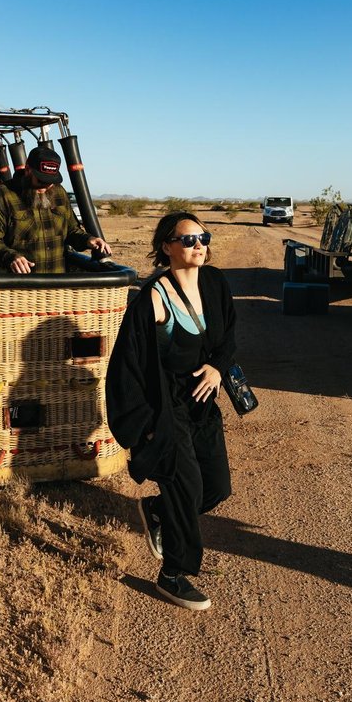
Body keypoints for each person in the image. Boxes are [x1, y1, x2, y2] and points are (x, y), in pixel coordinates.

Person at [105, 212, 237, 611]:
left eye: (203, 237)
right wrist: (143, 427)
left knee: (216, 488)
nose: (199, 245)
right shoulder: (153, 299)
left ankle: (158, 510)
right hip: (165, 408)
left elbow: (228, 337)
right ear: (166, 247)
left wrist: (217, 367)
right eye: (188, 240)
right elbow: (126, 369)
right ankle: (172, 575)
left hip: (203, 404)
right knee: (188, 488)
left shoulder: (215, 284)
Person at [0, 145, 110, 273]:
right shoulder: (4, 195)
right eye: (41, 181)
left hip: (56, 282)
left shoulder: (59, 192)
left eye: (49, 182)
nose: (45, 187)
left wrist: (88, 240)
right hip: (19, 284)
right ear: (28, 170)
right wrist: (10, 256)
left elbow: (72, 230)